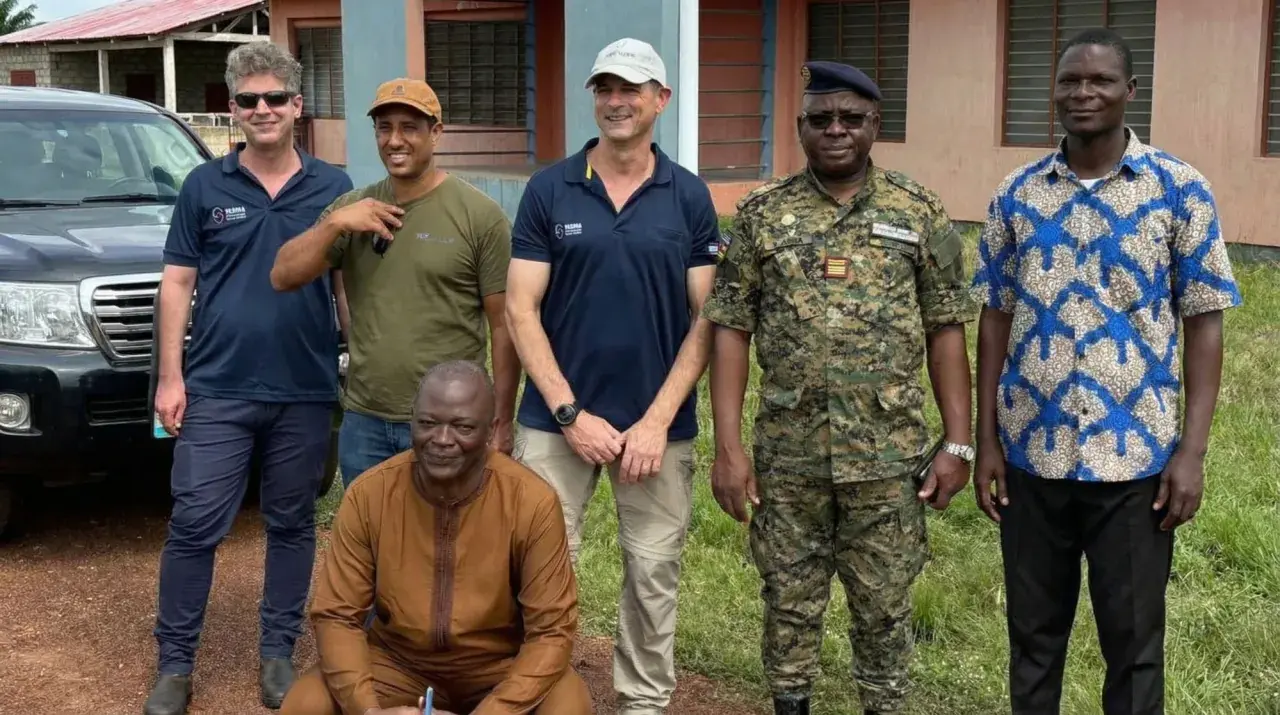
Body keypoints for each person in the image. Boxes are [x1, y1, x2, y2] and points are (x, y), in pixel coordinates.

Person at [970, 28, 1242, 715]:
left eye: (1098, 81)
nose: (1082, 93)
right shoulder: (1017, 194)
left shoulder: (1179, 190)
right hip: (1034, 456)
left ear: (1129, 91)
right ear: (1053, 90)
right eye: (1069, 81)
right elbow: (994, 317)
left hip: (1137, 466)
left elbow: (1204, 319)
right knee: (1033, 640)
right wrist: (987, 443)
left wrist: (1191, 451)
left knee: (1134, 645)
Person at [701, 60, 977, 715]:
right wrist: (730, 448)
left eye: (851, 119)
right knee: (788, 601)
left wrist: (959, 442)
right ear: (799, 127)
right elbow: (731, 330)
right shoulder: (763, 215)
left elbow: (946, 329)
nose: (835, 131)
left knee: (884, 603)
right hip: (788, 457)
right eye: (820, 119)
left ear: (875, 125)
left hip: (889, 458)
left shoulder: (918, 210)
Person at [504, 37, 720, 714]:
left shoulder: (688, 197)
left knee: (653, 576)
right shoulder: (549, 189)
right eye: (605, 88)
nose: (616, 101)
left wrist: (656, 421)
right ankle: (537, 691)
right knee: (537, 571)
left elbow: (707, 318)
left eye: (630, 88)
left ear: (662, 99)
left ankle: (643, 702)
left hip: (659, 429)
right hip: (554, 424)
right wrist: (570, 413)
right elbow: (520, 307)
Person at [144, 42, 354, 715]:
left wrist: (362, 355)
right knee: (196, 522)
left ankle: (276, 655)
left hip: (305, 386)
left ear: (297, 106)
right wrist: (170, 378)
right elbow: (177, 283)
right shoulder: (205, 186)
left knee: (292, 523)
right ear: (231, 109)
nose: (261, 110)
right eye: (246, 100)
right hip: (219, 387)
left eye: (274, 98)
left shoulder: (334, 188)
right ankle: (175, 664)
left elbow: (348, 286)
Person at [279, 360, 592, 715]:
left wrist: (495, 711)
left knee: (569, 704)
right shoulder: (371, 494)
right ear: (412, 420)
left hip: (498, 667)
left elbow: (551, 632)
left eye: (462, 427)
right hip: (398, 664)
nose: (442, 440)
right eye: (428, 424)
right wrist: (368, 710)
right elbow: (337, 615)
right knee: (305, 703)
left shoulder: (531, 502)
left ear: (490, 430)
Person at [271, 78, 520, 489]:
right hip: (365, 420)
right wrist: (334, 224)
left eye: (409, 127)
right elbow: (282, 275)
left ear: (435, 133)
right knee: (373, 548)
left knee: (446, 545)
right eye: (384, 128)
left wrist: (501, 418)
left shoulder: (479, 216)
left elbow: (503, 325)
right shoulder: (353, 210)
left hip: (449, 426)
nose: (394, 140)